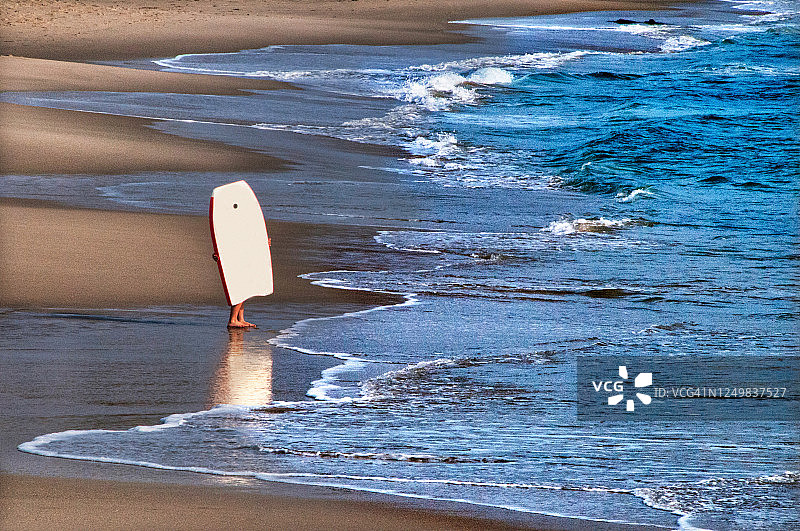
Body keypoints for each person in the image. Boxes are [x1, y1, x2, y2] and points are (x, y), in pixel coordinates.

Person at [213, 237, 271, 329]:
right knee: (240, 289)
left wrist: (263, 244)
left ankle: (240, 319)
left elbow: (246, 239)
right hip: (235, 259)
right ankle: (233, 320)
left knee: (244, 288)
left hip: (242, 258)